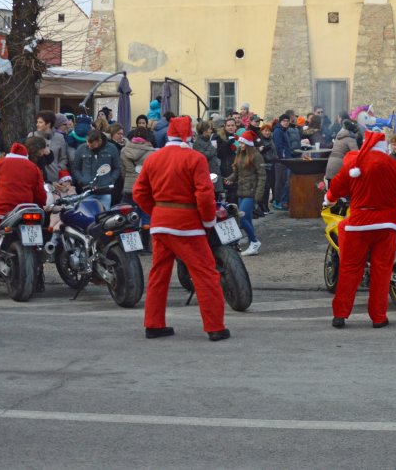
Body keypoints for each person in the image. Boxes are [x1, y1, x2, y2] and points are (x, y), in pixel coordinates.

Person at [134, 117, 229, 341]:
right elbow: (205, 195)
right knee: (206, 274)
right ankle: (214, 326)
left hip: (160, 224)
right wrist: (208, 222)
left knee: (158, 274)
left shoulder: (153, 158)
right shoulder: (195, 158)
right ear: (189, 136)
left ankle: (154, 324)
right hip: (188, 225)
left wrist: (157, 210)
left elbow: (139, 193)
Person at [325, 130, 396, 328]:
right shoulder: (392, 164)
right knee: (382, 272)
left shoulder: (353, 163)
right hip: (386, 225)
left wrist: (328, 200)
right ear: (384, 147)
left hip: (358, 225)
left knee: (349, 269)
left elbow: (335, 189)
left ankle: (340, 315)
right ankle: (378, 317)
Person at [0, 141, 50, 296]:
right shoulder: (33, 168)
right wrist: (39, 204)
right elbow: (41, 195)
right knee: (35, 244)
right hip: (29, 210)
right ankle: (38, 277)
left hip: (2, 211)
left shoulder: (0, 163)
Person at [230, 130, 264, 256]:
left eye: (242, 143)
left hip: (251, 192)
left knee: (242, 218)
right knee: (247, 219)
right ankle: (252, 245)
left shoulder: (256, 156)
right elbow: (237, 172)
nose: (240, 145)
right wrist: (230, 178)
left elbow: (262, 176)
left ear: (248, 144)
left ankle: (254, 242)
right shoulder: (240, 154)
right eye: (239, 142)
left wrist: (258, 195)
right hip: (241, 191)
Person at [71, 127, 122, 204]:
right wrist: (81, 180)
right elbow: (75, 168)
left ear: (100, 141)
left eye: (92, 145)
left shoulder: (112, 148)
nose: (89, 146)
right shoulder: (81, 148)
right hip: (87, 190)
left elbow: (117, 168)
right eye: (87, 143)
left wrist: (111, 180)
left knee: (104, 214)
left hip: (105, 191)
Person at [31, 110, 70, 183]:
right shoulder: (32, 136)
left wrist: (58, 168)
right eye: (37, 122)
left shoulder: (59, 137)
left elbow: (64, 158)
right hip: (36, 177)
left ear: (48, 124)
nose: (37, 124)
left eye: (40, 122)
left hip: (54, 177)